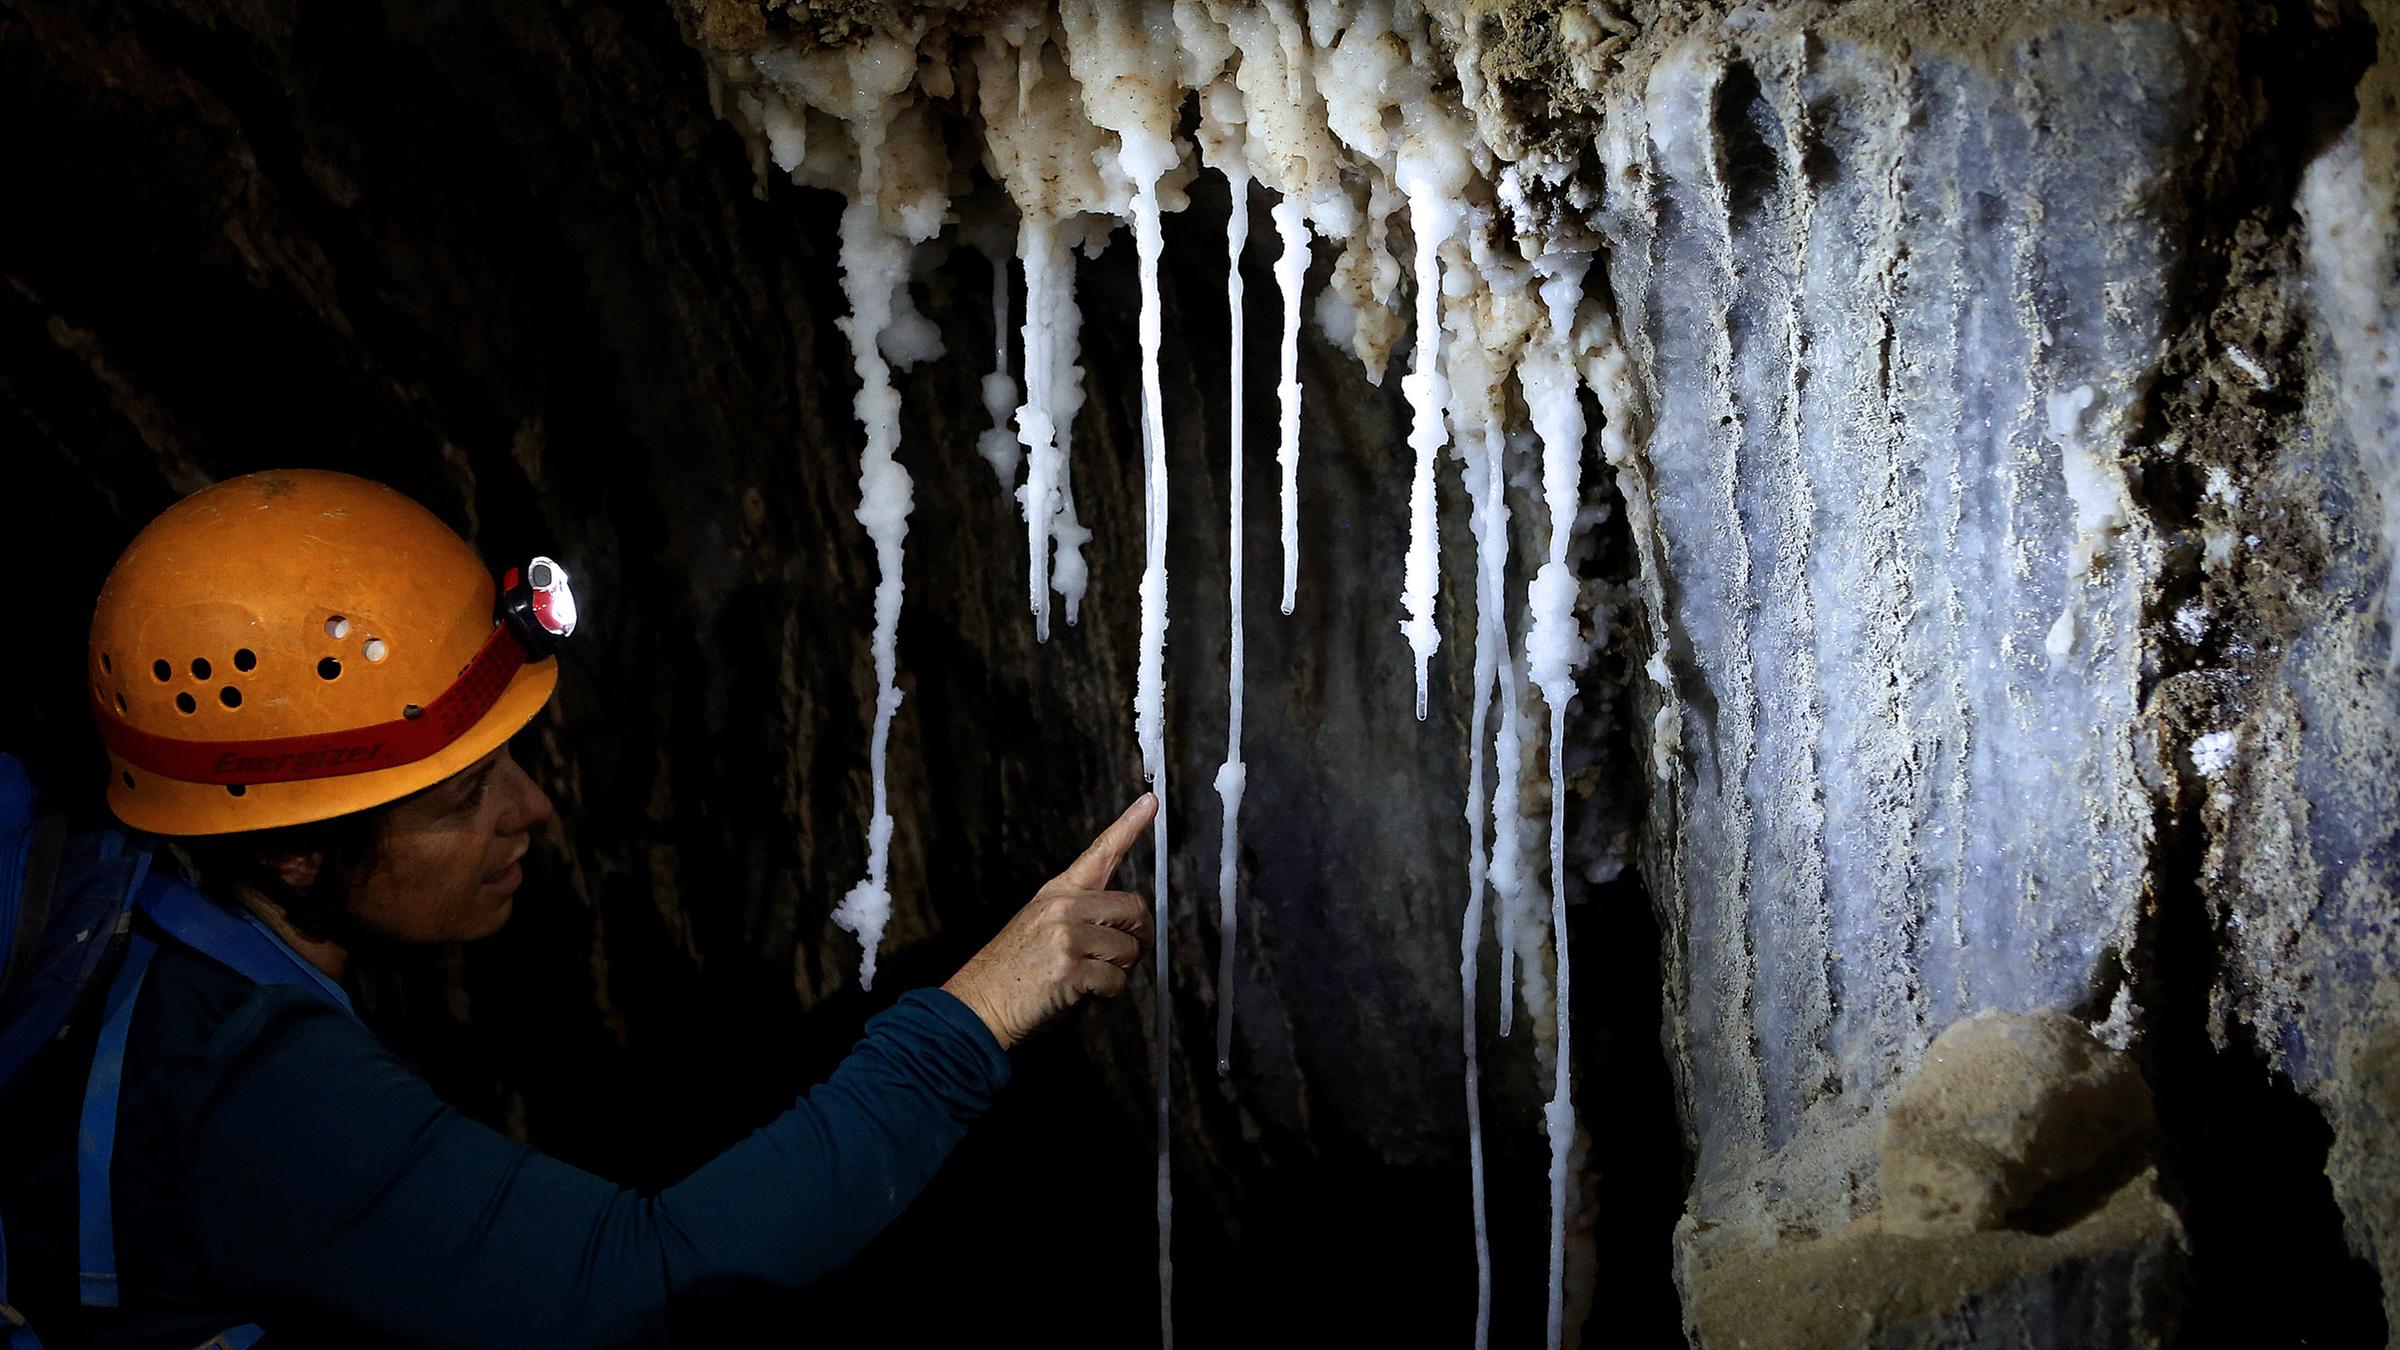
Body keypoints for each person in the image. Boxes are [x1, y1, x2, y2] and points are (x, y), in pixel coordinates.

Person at [0, 469, 1156, 1347]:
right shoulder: (244, 1088)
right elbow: (641, 1280)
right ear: (299, 854)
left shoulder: (115, 906)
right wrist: (976, 1014)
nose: (534, 809)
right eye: (461, 797)